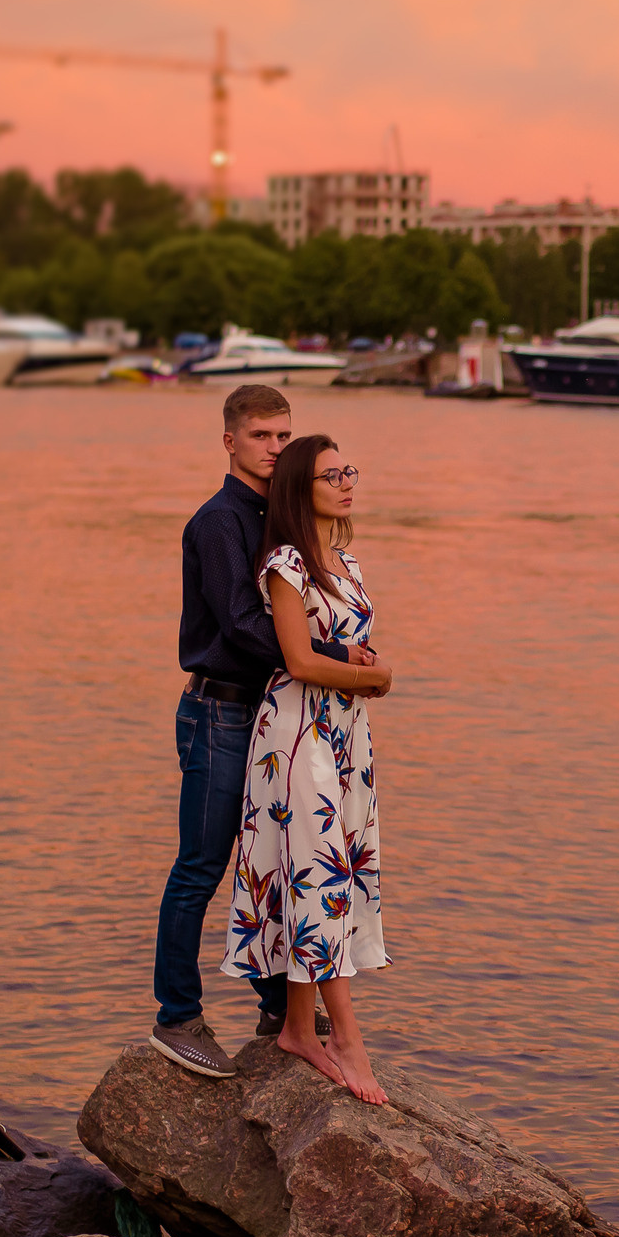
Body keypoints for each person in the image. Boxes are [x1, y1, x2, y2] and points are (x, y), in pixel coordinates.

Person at [148, 385, 383, 1079]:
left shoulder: (278, 519)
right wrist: (339, 658)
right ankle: (177, 1015)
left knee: (276, 861)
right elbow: (246, 628)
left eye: (285, 435)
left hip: (273, 717)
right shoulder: (220, 523)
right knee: (202, 863)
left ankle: (280, 1006)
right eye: (261, 436)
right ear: (230, 441)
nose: (276, 447)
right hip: (220, 711)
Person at [222, 433, 392, 1105]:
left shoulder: (346, 561)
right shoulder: (285, 564)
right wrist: (373, 675)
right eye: (331, 475)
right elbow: (295, 659)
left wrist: (363, 662)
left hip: (346, 734)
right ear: (301, 488)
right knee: (317, 872)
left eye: (349, 469)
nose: (347, 482)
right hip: (297, 736)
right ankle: (347, 1036)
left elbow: (345, 648)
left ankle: (297, 1025)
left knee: (329, 869)